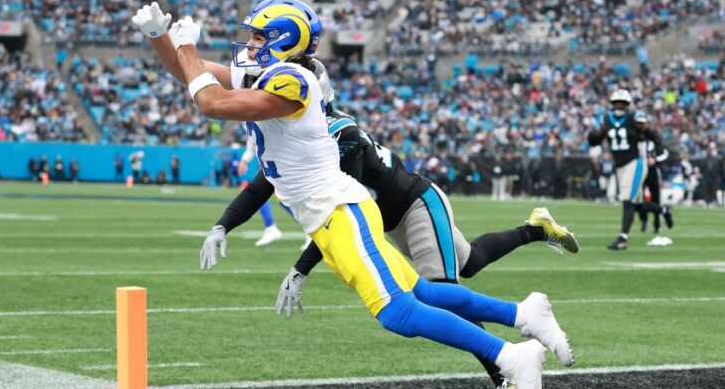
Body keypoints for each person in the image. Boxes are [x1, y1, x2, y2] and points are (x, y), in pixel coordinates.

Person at [134, 0, 570, 388]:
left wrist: (186, 44)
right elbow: (188, 73)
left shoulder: (292, 80)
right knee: (423, 294)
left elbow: (212, 103)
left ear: (284, 41)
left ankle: (510, 357)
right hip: (325, 216)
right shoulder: (263, 73)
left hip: (339, 210)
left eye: (259, 37)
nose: (249, 44)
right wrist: (159, 37)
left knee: (398, 312)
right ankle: (523, 314)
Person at [211, 68, 579, 387]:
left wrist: (301, 268)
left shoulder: (339, 137)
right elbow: (262, 185)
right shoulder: (303, 138)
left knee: (432, 293)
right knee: (467, 264)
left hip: (414, 205)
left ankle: (507, 372)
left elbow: (342, 208)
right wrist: (222, 226)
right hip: (385, 219)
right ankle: (535, 234)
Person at [587, 89, 666, 251]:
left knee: (627, 200)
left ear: (627, 105)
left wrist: (645, 130)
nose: (619, 105)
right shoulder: (607, 119)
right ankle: (664, 210)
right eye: (617, 103)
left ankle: (623, 238)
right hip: (620, 166)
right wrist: (594, 135)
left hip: (635, 163)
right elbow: (594, 141)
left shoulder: (633, 118)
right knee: (636, 204)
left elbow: (655, 137)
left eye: (622, 103)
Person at [634, 112, 674, 246]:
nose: (640, 126)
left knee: (656, 198)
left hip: (652, 171)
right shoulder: (635, 137)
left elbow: (665, 153)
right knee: (638, 199)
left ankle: (657, 224)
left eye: (642, 123)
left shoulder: (654, 138)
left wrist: (654, 160)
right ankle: (644, 221)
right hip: (640, 170)